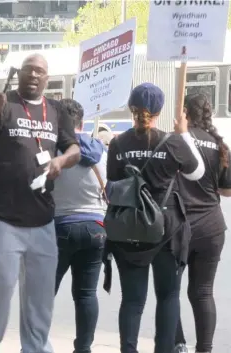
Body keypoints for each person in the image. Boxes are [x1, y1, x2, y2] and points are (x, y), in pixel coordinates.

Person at [0, 53, 81, 353]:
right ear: (19, 74)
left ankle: (36, 348)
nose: (33, 75)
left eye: (40, 71)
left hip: (41, 219)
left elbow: (74, 149)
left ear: (47, 77)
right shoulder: (1, 103)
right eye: (28, 70)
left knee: (40, 296)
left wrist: (61, 160)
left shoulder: (56, 110)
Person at [105, 83, 205, 353]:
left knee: (133, 300)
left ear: (130, 108)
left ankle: (129, 349)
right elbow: (197, 173)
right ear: (159, 111)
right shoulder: (173, 142)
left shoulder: (117, 144)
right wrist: (184, 135)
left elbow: (112, 187)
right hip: (167, 230)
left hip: (129, 230)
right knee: (169, 296)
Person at [174, 94, 231, 353]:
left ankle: (178, 344)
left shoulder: (175, 141)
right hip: (212, 227)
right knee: (203, 292)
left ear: (184, 111)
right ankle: (204, 350)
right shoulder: (219, 146)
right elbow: (227, 190)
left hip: (178, 226)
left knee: (170, 291)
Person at [52, 99, 107, 353]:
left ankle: (36, 344)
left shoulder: (53, 150)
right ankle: (83, 348)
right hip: (96, 228)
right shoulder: (101, 151)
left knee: (43, 293)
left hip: (60, 227)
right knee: (86, 294)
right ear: (82, 123)